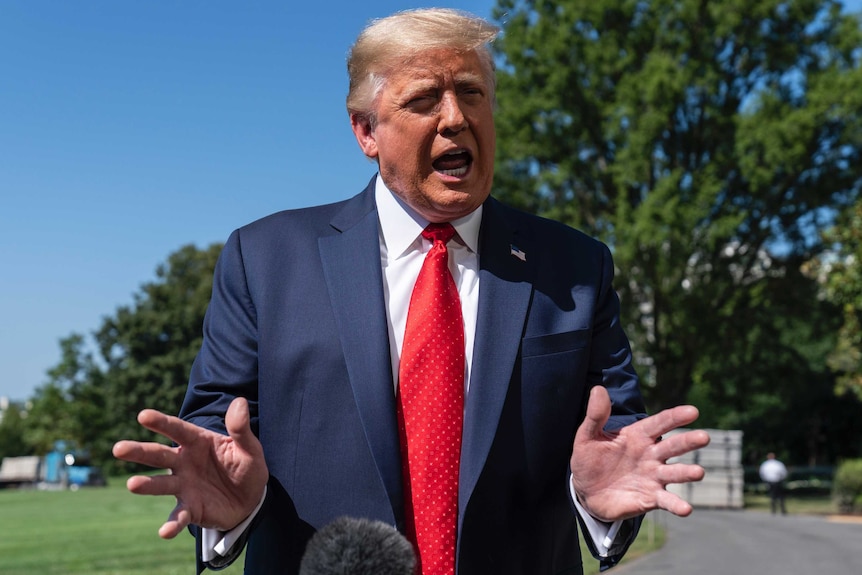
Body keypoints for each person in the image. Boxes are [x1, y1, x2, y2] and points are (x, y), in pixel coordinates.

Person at [113, 8, 711, 575]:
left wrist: (593, 496)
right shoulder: (264, 258)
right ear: (367, 131)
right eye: (424, 100)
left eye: (472, 93)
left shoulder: (576, 265)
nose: (455, 118)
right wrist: (236, 502)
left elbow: (614, 439)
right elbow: (220, 432)